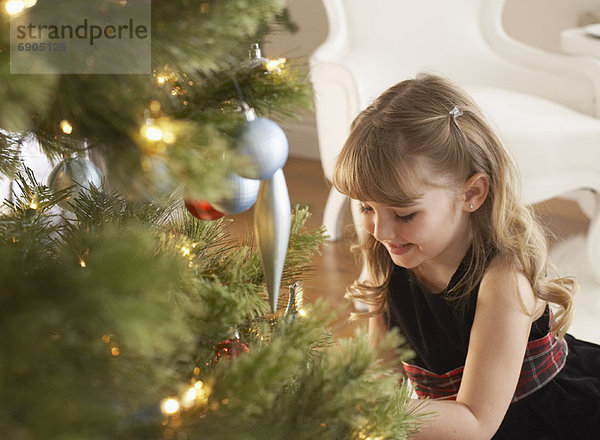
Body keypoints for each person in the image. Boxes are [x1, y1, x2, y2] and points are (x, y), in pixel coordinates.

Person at [332, 73, 600, 439]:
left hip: (546, 423)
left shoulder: (504, 279)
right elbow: (382, 379)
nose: (381, 231)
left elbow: (475, 422)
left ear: (471, 193)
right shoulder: (391, 256)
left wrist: (361, 407)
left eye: (405, 214)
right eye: (366, 207)